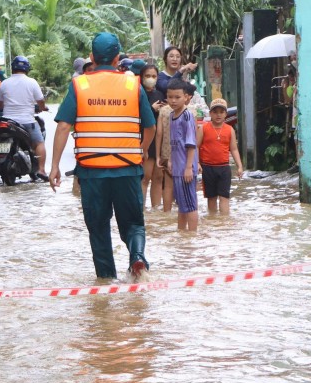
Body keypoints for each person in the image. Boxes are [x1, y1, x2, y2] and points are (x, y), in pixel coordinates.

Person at [49, 32, 156, 279]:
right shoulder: (133, 85)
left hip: (91, 171)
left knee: (98, 229)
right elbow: (149, 127)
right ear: (118, 57)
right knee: (134, 224)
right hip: (128, 169)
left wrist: (54, 166)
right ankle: (137, 256)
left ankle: (106, 283)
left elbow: (64, 126)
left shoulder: (79, 85)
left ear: (91, 58)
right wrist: (141, 149)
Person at [0, 55, 49, 181]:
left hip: (7, 121)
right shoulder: (32, 82)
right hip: (27, 121)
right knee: (39, 142)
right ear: (27, 68)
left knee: (0, 142)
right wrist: (42, 107)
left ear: (13, 68)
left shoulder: (4, 83)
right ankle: (41, 170)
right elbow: (40, 101)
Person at [197, 98, 244, 214]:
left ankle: (224, 222)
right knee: (211, 198)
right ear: (210, 114)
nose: (218, 115)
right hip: (207, 168)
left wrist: (239, 166)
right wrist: (197, 163)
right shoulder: (204, 128)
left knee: (224, 197)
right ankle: (213, 222)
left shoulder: (230, 130)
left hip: (224, 168)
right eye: (215, 112)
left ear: (226, 114)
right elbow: (196, 146)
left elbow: (233, 149)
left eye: (221, 112)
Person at [166, 80, 200, 231]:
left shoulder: (187, 116)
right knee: (181, 204)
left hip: (186, 168)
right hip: (178, 168)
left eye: (177, 97)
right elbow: (174, 143)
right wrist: (172, 162)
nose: (173, 100)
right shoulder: (172, 115)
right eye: (170, 97)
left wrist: (188, 167)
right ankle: (181, 235)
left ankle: (192, 235)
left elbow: (191, 143)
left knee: (190, 205)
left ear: (186, 97)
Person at [139, 63, 166, 208]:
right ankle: (141, 208)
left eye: (154, 76)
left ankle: (156, 209)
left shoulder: (160, 95)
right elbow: (136, 116)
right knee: (145, 177)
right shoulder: (138, 94)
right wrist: (151, 108)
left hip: (159, 140)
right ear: (141, 77)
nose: (151, 79)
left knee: (158, 177)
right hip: (145, 140)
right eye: (147, 76)